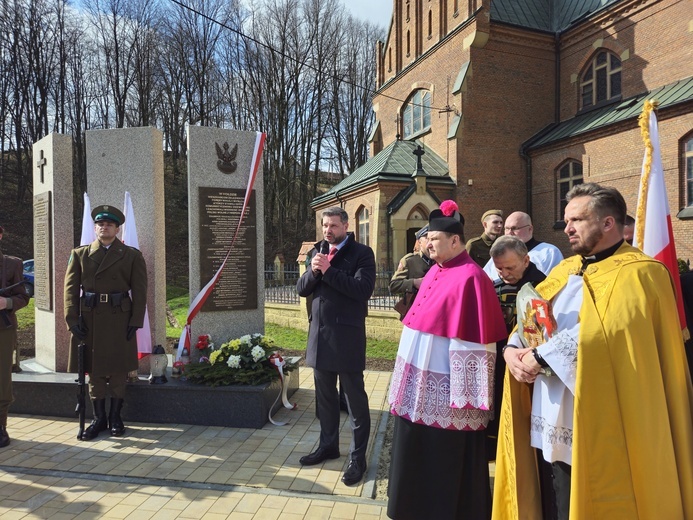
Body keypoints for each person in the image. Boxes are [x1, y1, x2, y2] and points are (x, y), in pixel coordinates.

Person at [493, 183, 693, 520]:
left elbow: (614, 334)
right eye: (566, 219)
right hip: (550, 410)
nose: (567, 227)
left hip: (606, 415)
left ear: (607, 223)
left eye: (577, 220)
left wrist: (541, 357)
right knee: (553, 494)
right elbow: (530, 317)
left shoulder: (643, 273)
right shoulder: (564, 270)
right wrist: (512, 350)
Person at [387, 200, 507, 520]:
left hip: (448, 400)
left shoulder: (472, 278)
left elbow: (477, 347)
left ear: (455, 241)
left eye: (434, 239)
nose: (427, 243)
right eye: (426, 239)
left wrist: (465, 399)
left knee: (444, 464)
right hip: (417, 394)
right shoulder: (434, 270)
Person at [296, 206, 375, 486]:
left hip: (347, 338)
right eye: (325, 226)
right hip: (319, 337)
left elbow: (362, 290)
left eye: (333, 226)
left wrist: (328, 271)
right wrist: (316, 272)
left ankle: (358, 458)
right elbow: (301, 288)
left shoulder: (362, 254)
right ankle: (328, 446)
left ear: (345, 225)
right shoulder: (317, 249)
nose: (328, 231)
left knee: (355, 402)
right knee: (325, 400)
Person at [64, 205, 148, 440]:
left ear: (118, 229)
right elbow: (70, 290)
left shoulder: (131, 255)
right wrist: (71, 320)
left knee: (119, 370)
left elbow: (140, 291)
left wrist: (136, 320)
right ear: (95, 228)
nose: (104, 227)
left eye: (109, 224)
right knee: (96, 370)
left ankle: (115, 417)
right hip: (90, 318)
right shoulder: (80, 254)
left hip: (119, 318)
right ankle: (98, 418)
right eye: (100, 224)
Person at [486, 235, 546, 460]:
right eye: (499, 269)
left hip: (532, 369)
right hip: (499, 363)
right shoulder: (495, 288)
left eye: (510, 267)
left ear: (526, 260)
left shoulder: (544, 287)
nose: (504, 273)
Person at [0, 225, 30, 448]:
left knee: (2, 379)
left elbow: (23, 296)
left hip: (3, 328)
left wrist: (6, 302)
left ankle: (1, 426)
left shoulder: (12, 263)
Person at [483, 211, 563, 280]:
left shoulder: (549, 252)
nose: (510, 233)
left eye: (514, 228)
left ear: (530, 229)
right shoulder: (499, 255)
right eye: (507, 228)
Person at [388, 225, 433, 320]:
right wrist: (414, 282)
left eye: (432, 238)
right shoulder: (410, 261)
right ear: (420, 242)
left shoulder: (440, 261)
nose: (430, 243)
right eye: (427, 238)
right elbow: (393, 285)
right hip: (414, 312)